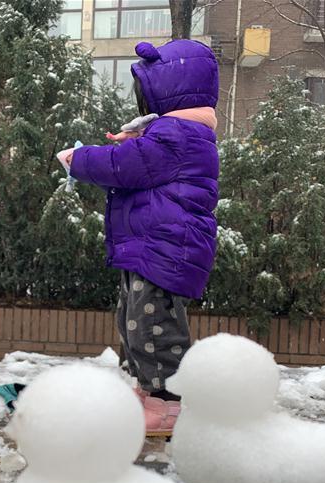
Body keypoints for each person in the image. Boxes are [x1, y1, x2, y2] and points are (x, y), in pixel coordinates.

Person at [58, 40, 220, 437]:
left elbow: (124, 168)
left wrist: (79, 160)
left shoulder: (177, 134)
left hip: (166, 247)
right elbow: (145, 167)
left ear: (170, 89)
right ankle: (149, 393)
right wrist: (140, 137)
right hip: (153, 244)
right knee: (133, 321)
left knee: (154, 325)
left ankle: (167, 404)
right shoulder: (173, 134)